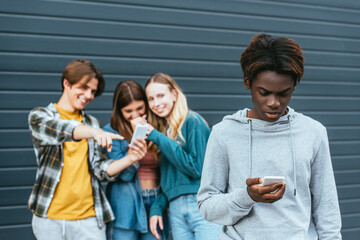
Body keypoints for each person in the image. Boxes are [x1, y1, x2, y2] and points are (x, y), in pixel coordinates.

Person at [197, 33, 342, 239]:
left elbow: (327, 208)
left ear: (294, 86)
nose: (274, 102)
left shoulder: (313, 132)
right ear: (247, 82)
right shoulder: (224, 133)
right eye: (264, 92)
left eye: (284, 93)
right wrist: (246, 197)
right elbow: (207, 206)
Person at [28, 59, 123, 240]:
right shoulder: (39, 116)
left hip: (89, 219)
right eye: (83, 87)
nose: (88, 95)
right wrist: (94, 133)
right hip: (50, 219)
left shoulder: (92, 123)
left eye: (93, 91)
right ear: (67, 83)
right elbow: (62, 130)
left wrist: (131, 157)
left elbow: (99, 169)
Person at [145, 73, 221, 240]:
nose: (156, 103)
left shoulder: (193, 122)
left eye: (160, 96)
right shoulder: (165, 132)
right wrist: (157, 207)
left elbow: (196, 169)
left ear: (174, 95)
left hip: (200, 205)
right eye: (151, 99)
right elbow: (172, 182)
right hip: (175, 209)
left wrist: (157, 137)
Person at [100, 80, 168, 240]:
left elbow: (166, 169)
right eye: (128, 111)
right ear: (119, 110)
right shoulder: (111, 131)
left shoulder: (156, 126)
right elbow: (123, 175)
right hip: (125, 205)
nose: (135, 115)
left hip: (155, 200)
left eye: (139, 108)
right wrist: (134, 141)